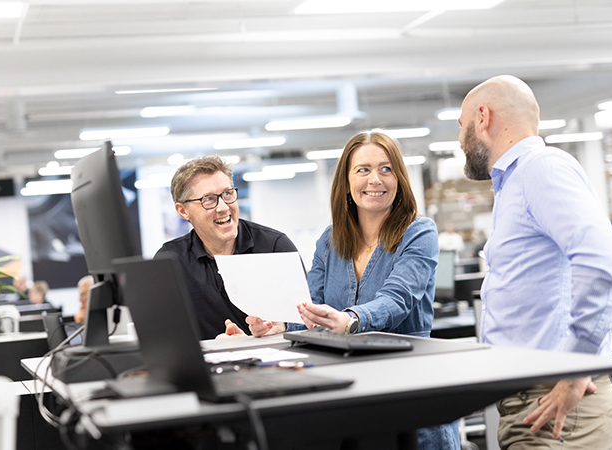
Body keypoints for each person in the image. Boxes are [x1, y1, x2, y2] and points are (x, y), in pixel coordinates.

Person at [245, 130, 460, 450]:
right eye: (363, 169)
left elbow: (397, 299)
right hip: (351, 392)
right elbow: (312, 306)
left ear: (399, 179)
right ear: (346, 182)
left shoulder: (419, 231)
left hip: (409, 390)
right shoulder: (330, 241)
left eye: (386, 169)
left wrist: (351, 320)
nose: (375, 179)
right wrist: (281, 323)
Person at [458, 75, 612, 449]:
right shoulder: (514, 182)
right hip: (533, 400)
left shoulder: (541, 168)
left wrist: (576, 367)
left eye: (461, 125)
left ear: (482, 117)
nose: (458, 140)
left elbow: (603, 258)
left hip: (557, 405)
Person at [156, 155, 298, 340]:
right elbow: (163, 335)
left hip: (274, 361)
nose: (223, 207)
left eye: (227, 194)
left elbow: (309, 319)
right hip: (204, 366)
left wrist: (280, 325)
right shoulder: (169, 260)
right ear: (183, 211)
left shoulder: (274, 246)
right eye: (208, 199)